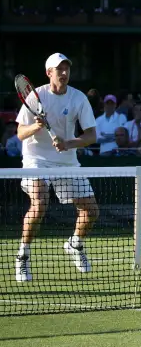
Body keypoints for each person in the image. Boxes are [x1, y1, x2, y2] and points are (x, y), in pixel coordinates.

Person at [14, 53, 99, 282]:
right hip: (36, 159)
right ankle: (23, 256)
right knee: (40, 203)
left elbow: (91, 135)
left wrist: (68, 143)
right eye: (58, 69)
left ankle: (75, 244)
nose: (64, 72)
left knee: (91, 211)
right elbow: (21, 133)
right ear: (48, 73)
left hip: (67, 161)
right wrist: (36, 127)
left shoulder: (78, 98)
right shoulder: (35, 96)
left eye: (66, 68)